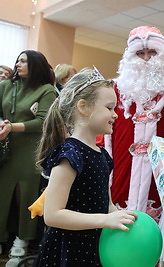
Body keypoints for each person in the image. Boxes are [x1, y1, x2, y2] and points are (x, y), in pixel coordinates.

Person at [34, 67, 137, 266]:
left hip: (94, 246)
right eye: (109, 108)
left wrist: (118, 215)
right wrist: (104, 220)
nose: (115, 115)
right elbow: (52, 215)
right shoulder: (70, 155)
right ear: (84, 107)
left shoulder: (103, 156)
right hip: (68, 250)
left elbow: (106, 204)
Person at [103, 26, 164, 223]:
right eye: (140, 53)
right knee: (121, 206)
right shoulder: (119, 86)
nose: (146, 58)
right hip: (123, 157)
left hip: (162, 161)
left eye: (152, 52)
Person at [0, 50, 56, 267]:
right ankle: (2, 237)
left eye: (23, 61)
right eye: (17, 60)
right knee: (2, 193)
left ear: (35, 65)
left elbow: (44, 122)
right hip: (5, 149)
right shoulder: (5, 86)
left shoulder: (46, 90)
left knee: (24, 195)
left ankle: (22, 240)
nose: (17, 64)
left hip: (30, 152)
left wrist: (11, 127)